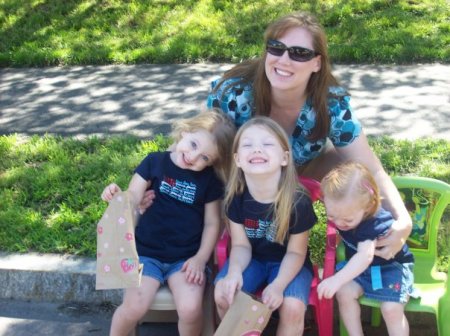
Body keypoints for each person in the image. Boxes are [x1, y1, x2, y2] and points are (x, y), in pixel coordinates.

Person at [205, 11, 412, 261]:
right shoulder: (234, 93)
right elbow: (201, 147)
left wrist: (403, 219)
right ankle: (211, 250)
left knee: (353, 173)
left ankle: (364, 247)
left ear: (317, 63)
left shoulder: (331, 105)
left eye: (299, 53)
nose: (284, 60)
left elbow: (371, 168)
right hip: (242, 171)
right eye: (276, 48)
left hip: (304, 168)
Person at [100, 109, 236, 336]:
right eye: (193, 145)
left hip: (184, 259)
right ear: (184, 133)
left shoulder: (209, 181)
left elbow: (213, 224)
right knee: (134, 307)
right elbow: (133, 197)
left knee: (190, 308)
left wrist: (200, 259)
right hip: (146, 254)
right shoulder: (155, 162)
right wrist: (118, 197)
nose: (193, 157)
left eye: (205, 158)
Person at [214, 116, 317, 335]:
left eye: (267, 144)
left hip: (289, 263)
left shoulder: (298, 202)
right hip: (253, 260)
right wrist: (233, 273)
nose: (257, 149)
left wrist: (279, 285)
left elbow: (297, 252)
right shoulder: (236, 198)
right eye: (248, 144)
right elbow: (241, 246)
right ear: (238, 159)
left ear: (284, 158)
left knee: (292, 307)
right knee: (224, 293)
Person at [317, 162, 416, 336]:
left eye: (347, 220)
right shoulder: (347, 212)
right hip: (361, 270)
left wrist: (336, 279)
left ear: (368, 207)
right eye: (332, 216)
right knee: (344, 293)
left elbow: (365, 256)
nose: (339, 223)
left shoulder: (373, 223)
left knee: (391, 309)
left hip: (390, 268)